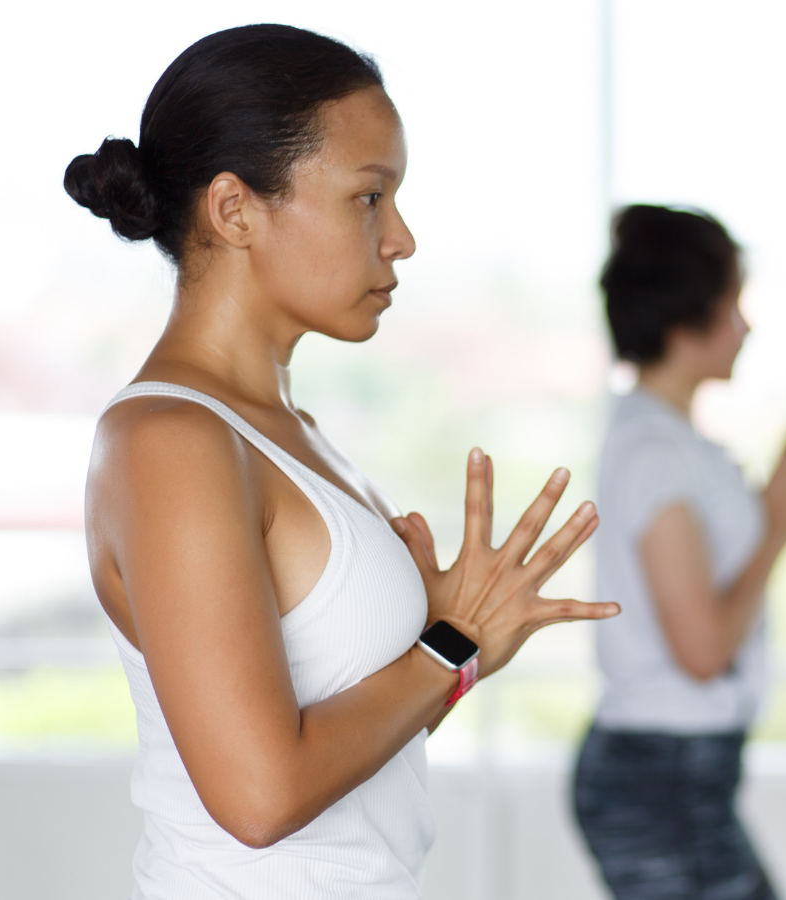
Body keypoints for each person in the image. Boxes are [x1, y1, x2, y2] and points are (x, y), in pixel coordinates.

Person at [69, 25, 616, 899]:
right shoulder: (170, 442)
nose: (400, 238)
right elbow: (259, 797)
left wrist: (461, 646)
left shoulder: (294, 429)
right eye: (370, 197)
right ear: (235, 209)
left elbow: (347, 769)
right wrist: (450, 645)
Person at [573, 205, 786, 900]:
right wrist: (776, 529)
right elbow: (702, 648)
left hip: (683, 774)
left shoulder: (672, 440)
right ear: (685, 318)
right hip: (661, 780)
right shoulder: (654, 450)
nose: (746, 326)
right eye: (733, 304)